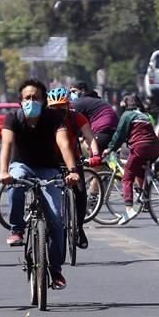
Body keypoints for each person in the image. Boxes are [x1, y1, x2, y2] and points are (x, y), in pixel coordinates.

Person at [0, 78, 80, 291]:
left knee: (56, 218)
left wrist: (72, 172)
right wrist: (4, 172)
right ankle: (17, 229)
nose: (31, 101)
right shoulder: (12, 118)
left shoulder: (53, 118)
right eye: (27, 98)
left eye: (36, 98)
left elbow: (63, 144)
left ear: (44, 100)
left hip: (48, 170)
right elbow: (6, 145)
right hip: (21, 166)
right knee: (15, 186)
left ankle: (56, 270)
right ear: (20, 100)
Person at [46, 86, 98, 249]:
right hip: (50, 161)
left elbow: (89, 137)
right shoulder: (42, 120)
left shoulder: (77, 117)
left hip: (73, 161)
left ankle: (79, 228)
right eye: (53, 108)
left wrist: (95, 154)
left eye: (61, 107)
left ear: (68, 105)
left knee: (80, 194)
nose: (57, 111)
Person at [103, 93, 159, 224]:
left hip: (140, 147)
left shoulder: (127, 115)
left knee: (127, 177)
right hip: (155, 148)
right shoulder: (144, 115)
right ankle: (144, 198)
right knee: (140, 171)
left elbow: (119, 134)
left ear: (125, 104)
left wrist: (110, 148)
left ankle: (129, 209)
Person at [69, 82, 119, 153]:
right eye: (70, 92)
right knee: (106, 159)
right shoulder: (96, 100)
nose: (72, 94)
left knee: (93, 156)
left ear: (82, 90)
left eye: (74, 91)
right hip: (114, 132)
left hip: (101, 132)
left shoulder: (81, 102)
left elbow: (67, 112)